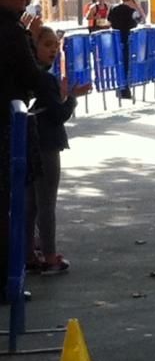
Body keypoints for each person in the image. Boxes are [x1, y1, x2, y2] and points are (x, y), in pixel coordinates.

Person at [25, 26, 90, 274]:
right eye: (48, 45)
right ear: (35, 47)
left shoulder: (30, 77)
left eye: (56, 45)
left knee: (31, 202)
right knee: (46, 202)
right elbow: (59, 114)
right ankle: (50, 255)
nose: (53, 50)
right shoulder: (46, 79)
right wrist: (71, 98)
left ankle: (28, 252)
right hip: (48, 143)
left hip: (31, 141)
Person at [0, 0, 46, 304]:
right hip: (6, 126)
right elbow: (32, 76)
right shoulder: (12, 31)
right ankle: (8, 279)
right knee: (9, 205)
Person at [108, 0, 145, 99]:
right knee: (126, 64)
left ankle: (119, 87)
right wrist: (138, 7)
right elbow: (142, 19)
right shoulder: (132, 11)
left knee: (118, 64)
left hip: (115, 39)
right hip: (127, 39)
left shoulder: (113, 8)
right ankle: (125, 89)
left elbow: (109, 21)